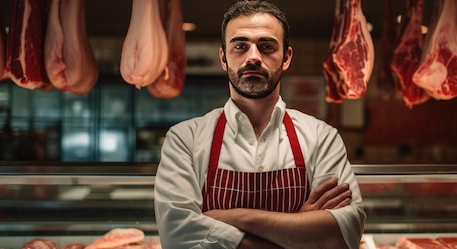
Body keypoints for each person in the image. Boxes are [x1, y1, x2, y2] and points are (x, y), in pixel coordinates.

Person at [153, 1, 366, 248]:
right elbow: (176, 237)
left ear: (286, 58)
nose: (253, 57)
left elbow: (343, 234)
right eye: (240, 46)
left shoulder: (321, 136)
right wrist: (298, 226)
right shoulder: (185, 139)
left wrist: (229, 219)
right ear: (224, 58)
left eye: (266, 46)